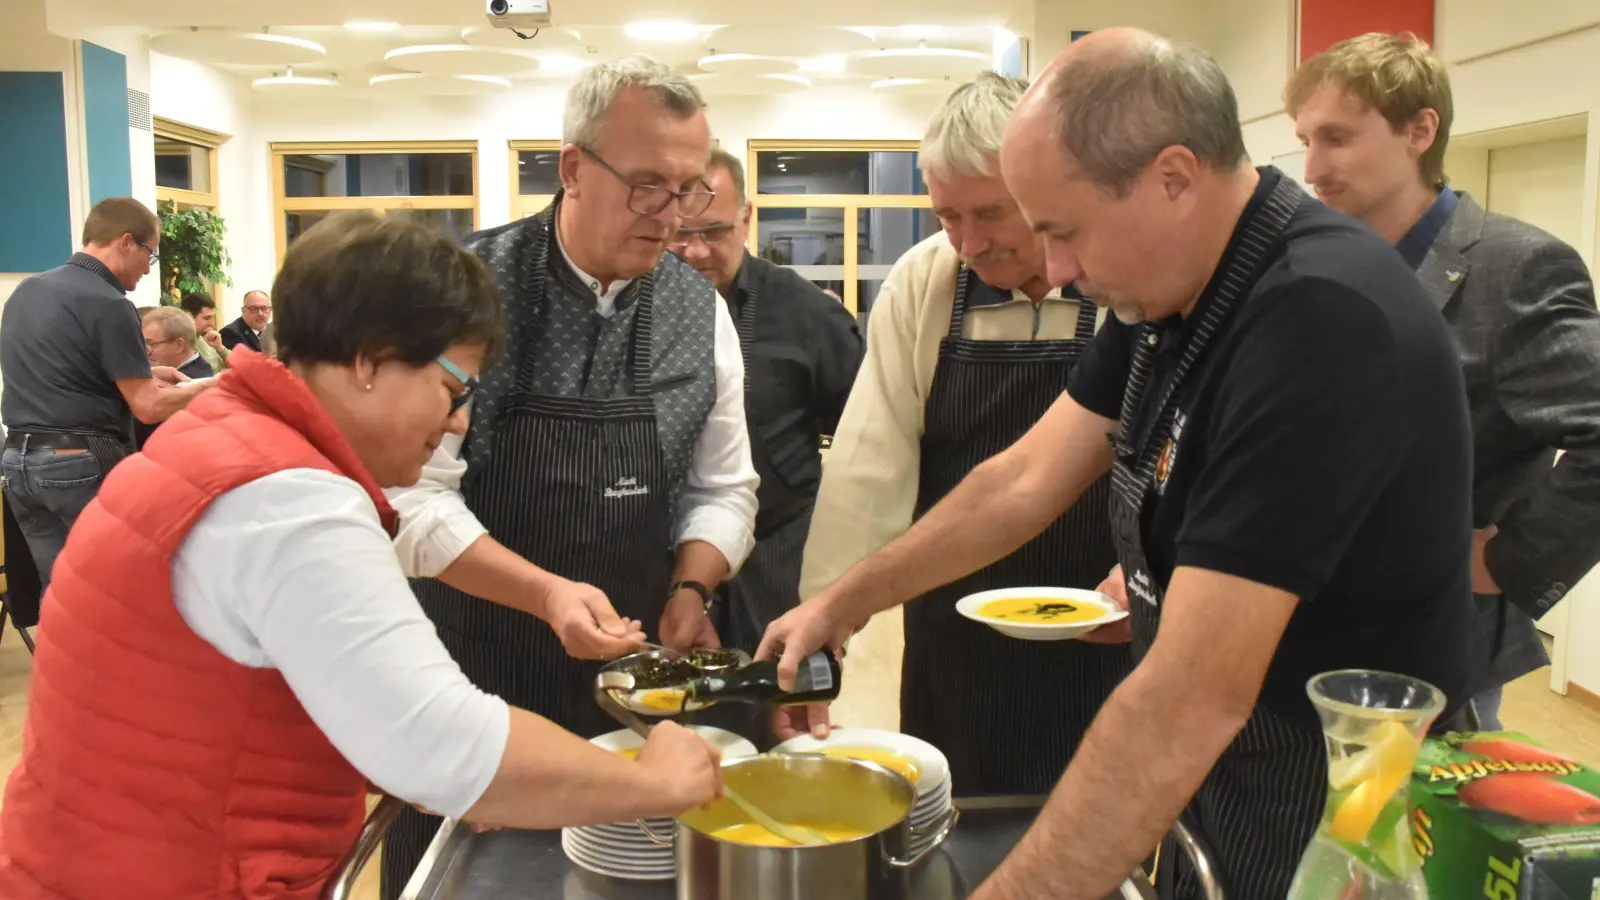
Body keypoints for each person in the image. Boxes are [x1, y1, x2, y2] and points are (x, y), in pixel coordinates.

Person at [757, 29, 1487, 899]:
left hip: (1331, 804)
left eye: (1064, 231)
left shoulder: (1318, 319)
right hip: (1220, 769)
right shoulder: (1173, 296)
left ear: (1174, 177)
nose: (1057, 267)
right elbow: (1022, 480)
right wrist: (845, 600)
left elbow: (1191, 695)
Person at [0, 212, 724, 900]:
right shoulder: (288, 501)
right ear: (369, 360)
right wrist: (652, 781)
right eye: (451, 388)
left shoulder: (222, 440)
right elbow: (437, 740)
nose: (459, 421)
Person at [380, 55, 759, 896]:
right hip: (476, 675)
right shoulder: (467, 290)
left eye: (691, 189)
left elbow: (724, 487)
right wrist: (546, 594)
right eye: (648, 186)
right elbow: (407, 499)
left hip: (632, 689)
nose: (672, 218)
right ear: (574, 169)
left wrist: (691, 591)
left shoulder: (703, 314)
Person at [796, 72, 1130, 793]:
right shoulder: (927, 282)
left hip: (1103, 622)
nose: (968, 240)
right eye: (947, 214)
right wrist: (826, 625)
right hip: (953, 621)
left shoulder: (1121, 282)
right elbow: (868, 469)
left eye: (990, 213)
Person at [1288, 33, 1600, 728]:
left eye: (1336, 138)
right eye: (1305, 139)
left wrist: (1510, 562)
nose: (1311, 167)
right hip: (1315, 625)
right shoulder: (1327, 263)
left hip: (1433, 649)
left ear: (1419, 131)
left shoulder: (1515, 268)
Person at [671, 147, 863, 666]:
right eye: (679, 235)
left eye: (713, 232)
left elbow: (865, 444)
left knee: (778, 714)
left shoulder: (809, 314)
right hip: (664, 566)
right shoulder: (639, 312)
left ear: (746, 220)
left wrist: (847, 584)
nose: (694, 252)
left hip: (780, 557)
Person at [0, 197, 210, 591]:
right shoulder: (109, 303)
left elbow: (60, 371)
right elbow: (148, 407)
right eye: (151, 253)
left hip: (16, 465)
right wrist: (212, 385)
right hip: (76, 464)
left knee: (62, 597)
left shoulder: (27, 292)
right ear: (126, 242)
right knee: (110, 593)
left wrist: (142, 371)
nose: (149, 269)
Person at [135, 306, 216, 447]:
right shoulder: (198, 371)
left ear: (179, 345)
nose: (146, 352)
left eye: (151, 344)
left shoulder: (190, 383)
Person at [180, 290, 231, 372]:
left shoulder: (206, 338)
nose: (212, 323)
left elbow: (238, 365)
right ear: (188, 317)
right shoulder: (180, 345)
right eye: (207, 318)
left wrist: (220, 348)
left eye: (212, 317)